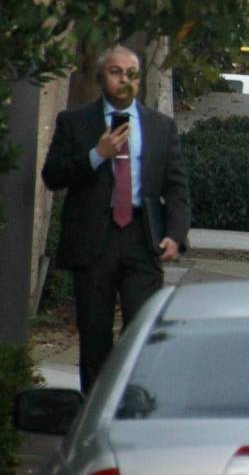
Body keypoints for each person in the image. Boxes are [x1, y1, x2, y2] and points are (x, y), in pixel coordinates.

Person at [41, 45, 189, 394]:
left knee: (142, 328)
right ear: (101, 78)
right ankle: (94, 406)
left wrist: (175, 234)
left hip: (142, 235)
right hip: (95, 238)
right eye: (116, 72)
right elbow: (53, 175)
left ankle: (132, 399)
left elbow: (177, 186)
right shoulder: (75, 122)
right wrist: (96, 155)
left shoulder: (160, 127)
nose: (124, 79)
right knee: (94, 332)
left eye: (131, 73)